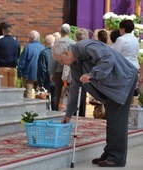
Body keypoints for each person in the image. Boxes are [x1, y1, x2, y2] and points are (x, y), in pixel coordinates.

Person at [52, 39, 138, 167]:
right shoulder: (74, 65)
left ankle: (116, 158)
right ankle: (109, 154)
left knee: (117, 121)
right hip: (112, 86)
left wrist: (92, 74)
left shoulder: (86, 46)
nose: (61, 63)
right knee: (112, 120)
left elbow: (108, 58)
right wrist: (68, 114)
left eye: (60, 60)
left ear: (66, 53)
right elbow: (75, 88)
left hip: (122, 81)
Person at [50, 23, 75, 110]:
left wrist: (52, 72)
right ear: (69, 32)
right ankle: (69, 110)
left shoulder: (56, 44)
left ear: (61, 32)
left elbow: (53, 59)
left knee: (58, 92)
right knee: (69, 92)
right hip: (69, 72)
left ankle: (57, 109)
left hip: (58, 70)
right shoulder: (73, 43)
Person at [113, 20, 140, 100]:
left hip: (124, 67)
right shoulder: (136, 39)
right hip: (135, 66)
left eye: (120, 28)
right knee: (131, 91)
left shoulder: (121, 39)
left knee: (122, 91)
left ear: (123, 29)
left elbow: (115, 54)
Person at [17, 30, 45, 98]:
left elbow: (22, 61)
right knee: (40, 94)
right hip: (40, 75)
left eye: (28, 37)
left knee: (27, 94)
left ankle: (28, 108)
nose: (28, 39)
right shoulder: (43, 48)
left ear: (31, 38)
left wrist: (19, 73)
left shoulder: (28, 47)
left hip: (28, 75)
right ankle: (39, 108)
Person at [37, 34, 56, 110]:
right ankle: (55, 113)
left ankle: (46, 113)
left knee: (44, 99)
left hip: (46, 80)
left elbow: (42, 69)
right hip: (56, 79)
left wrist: (40, 83)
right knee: (55, 98)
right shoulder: (57, 52)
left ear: (45, 42)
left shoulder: (43, 53)